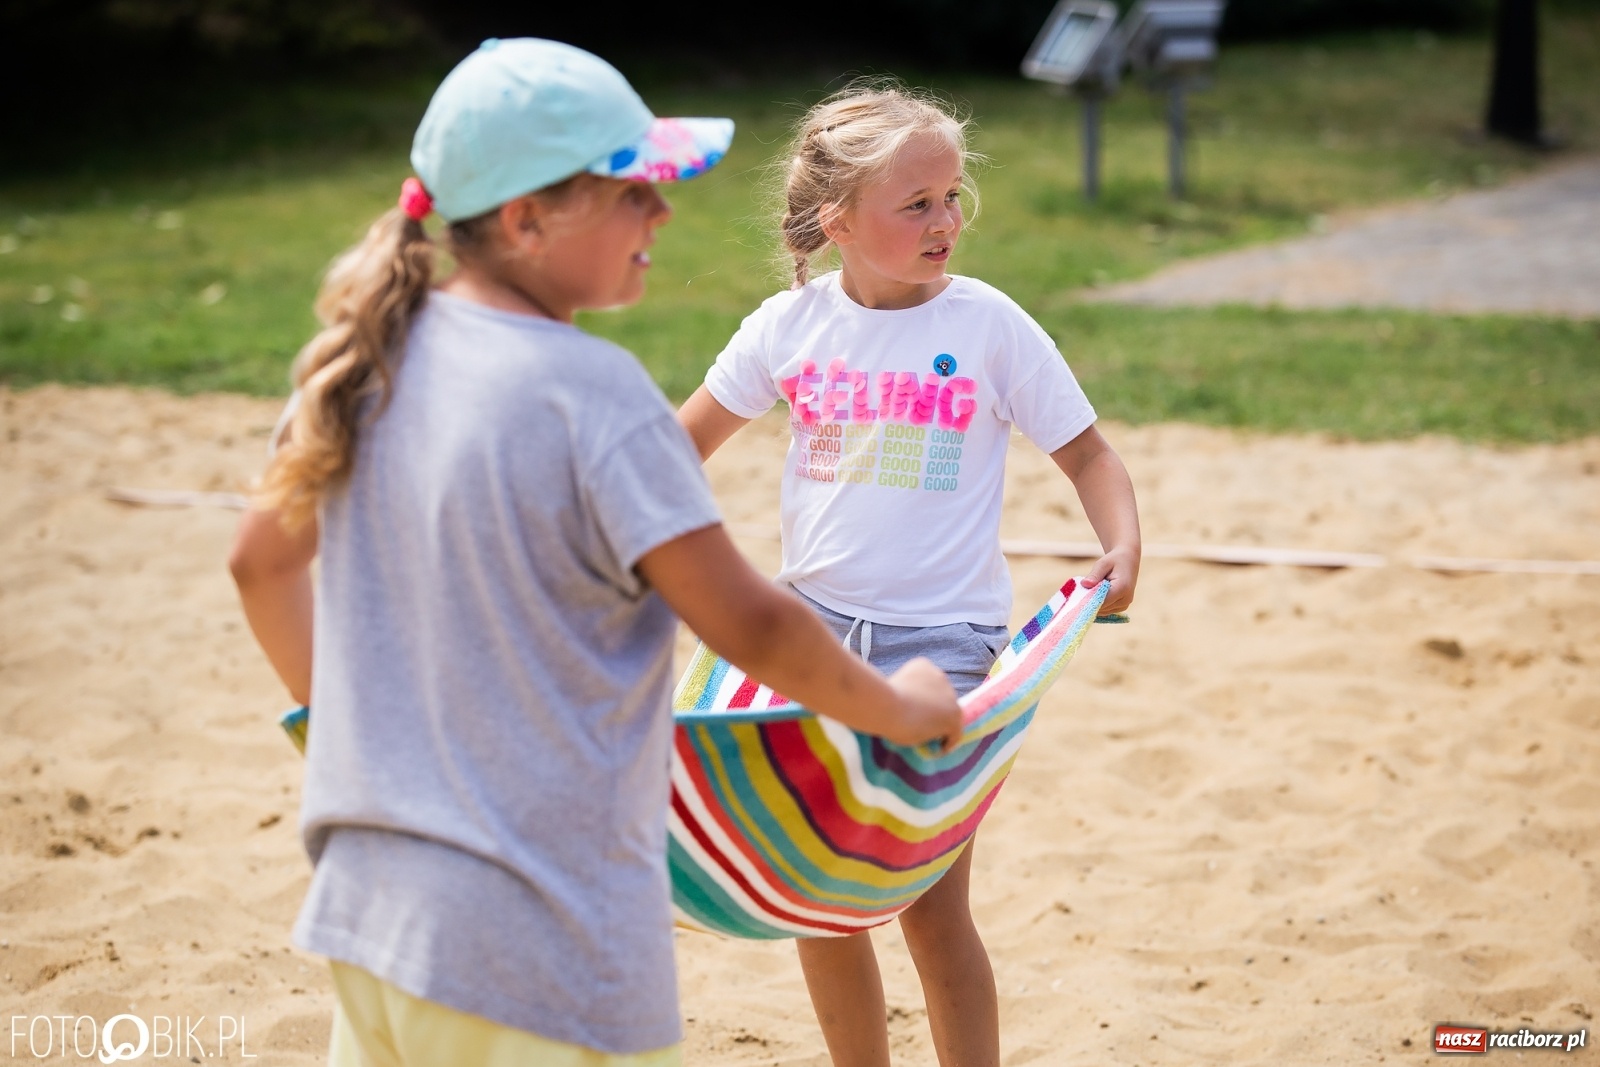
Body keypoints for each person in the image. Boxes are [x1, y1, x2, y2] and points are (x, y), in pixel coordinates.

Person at [227, 42, 962, 1067]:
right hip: (539, 941)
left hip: (369, 903)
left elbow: (258, 564)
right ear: (526, 221)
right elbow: (750, 624)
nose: (661, 212)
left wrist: (345, 724)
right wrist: (900, 710)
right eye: (630, 191)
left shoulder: (362, 361)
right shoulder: (597, 396)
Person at [677, 83, 1142, 1067]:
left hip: (945, 648)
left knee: (931, 906)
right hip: (808, 644)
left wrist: (1122, 541)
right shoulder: (787, 326)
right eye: (917, 203)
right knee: (818, 899)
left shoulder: (989, 326)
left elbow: (1089, 454)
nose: (946, 221)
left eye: (952, 196)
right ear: (837, 222)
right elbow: (677, 451)